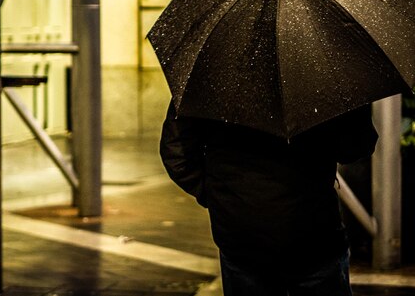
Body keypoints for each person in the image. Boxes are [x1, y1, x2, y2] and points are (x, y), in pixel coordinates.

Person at [159, 99, 378, 296]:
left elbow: (177, 152)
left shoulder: (209, 74)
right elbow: (356, 146)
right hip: (313, 232)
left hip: (240, 233)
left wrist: (218, 196)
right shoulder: (323, 76)